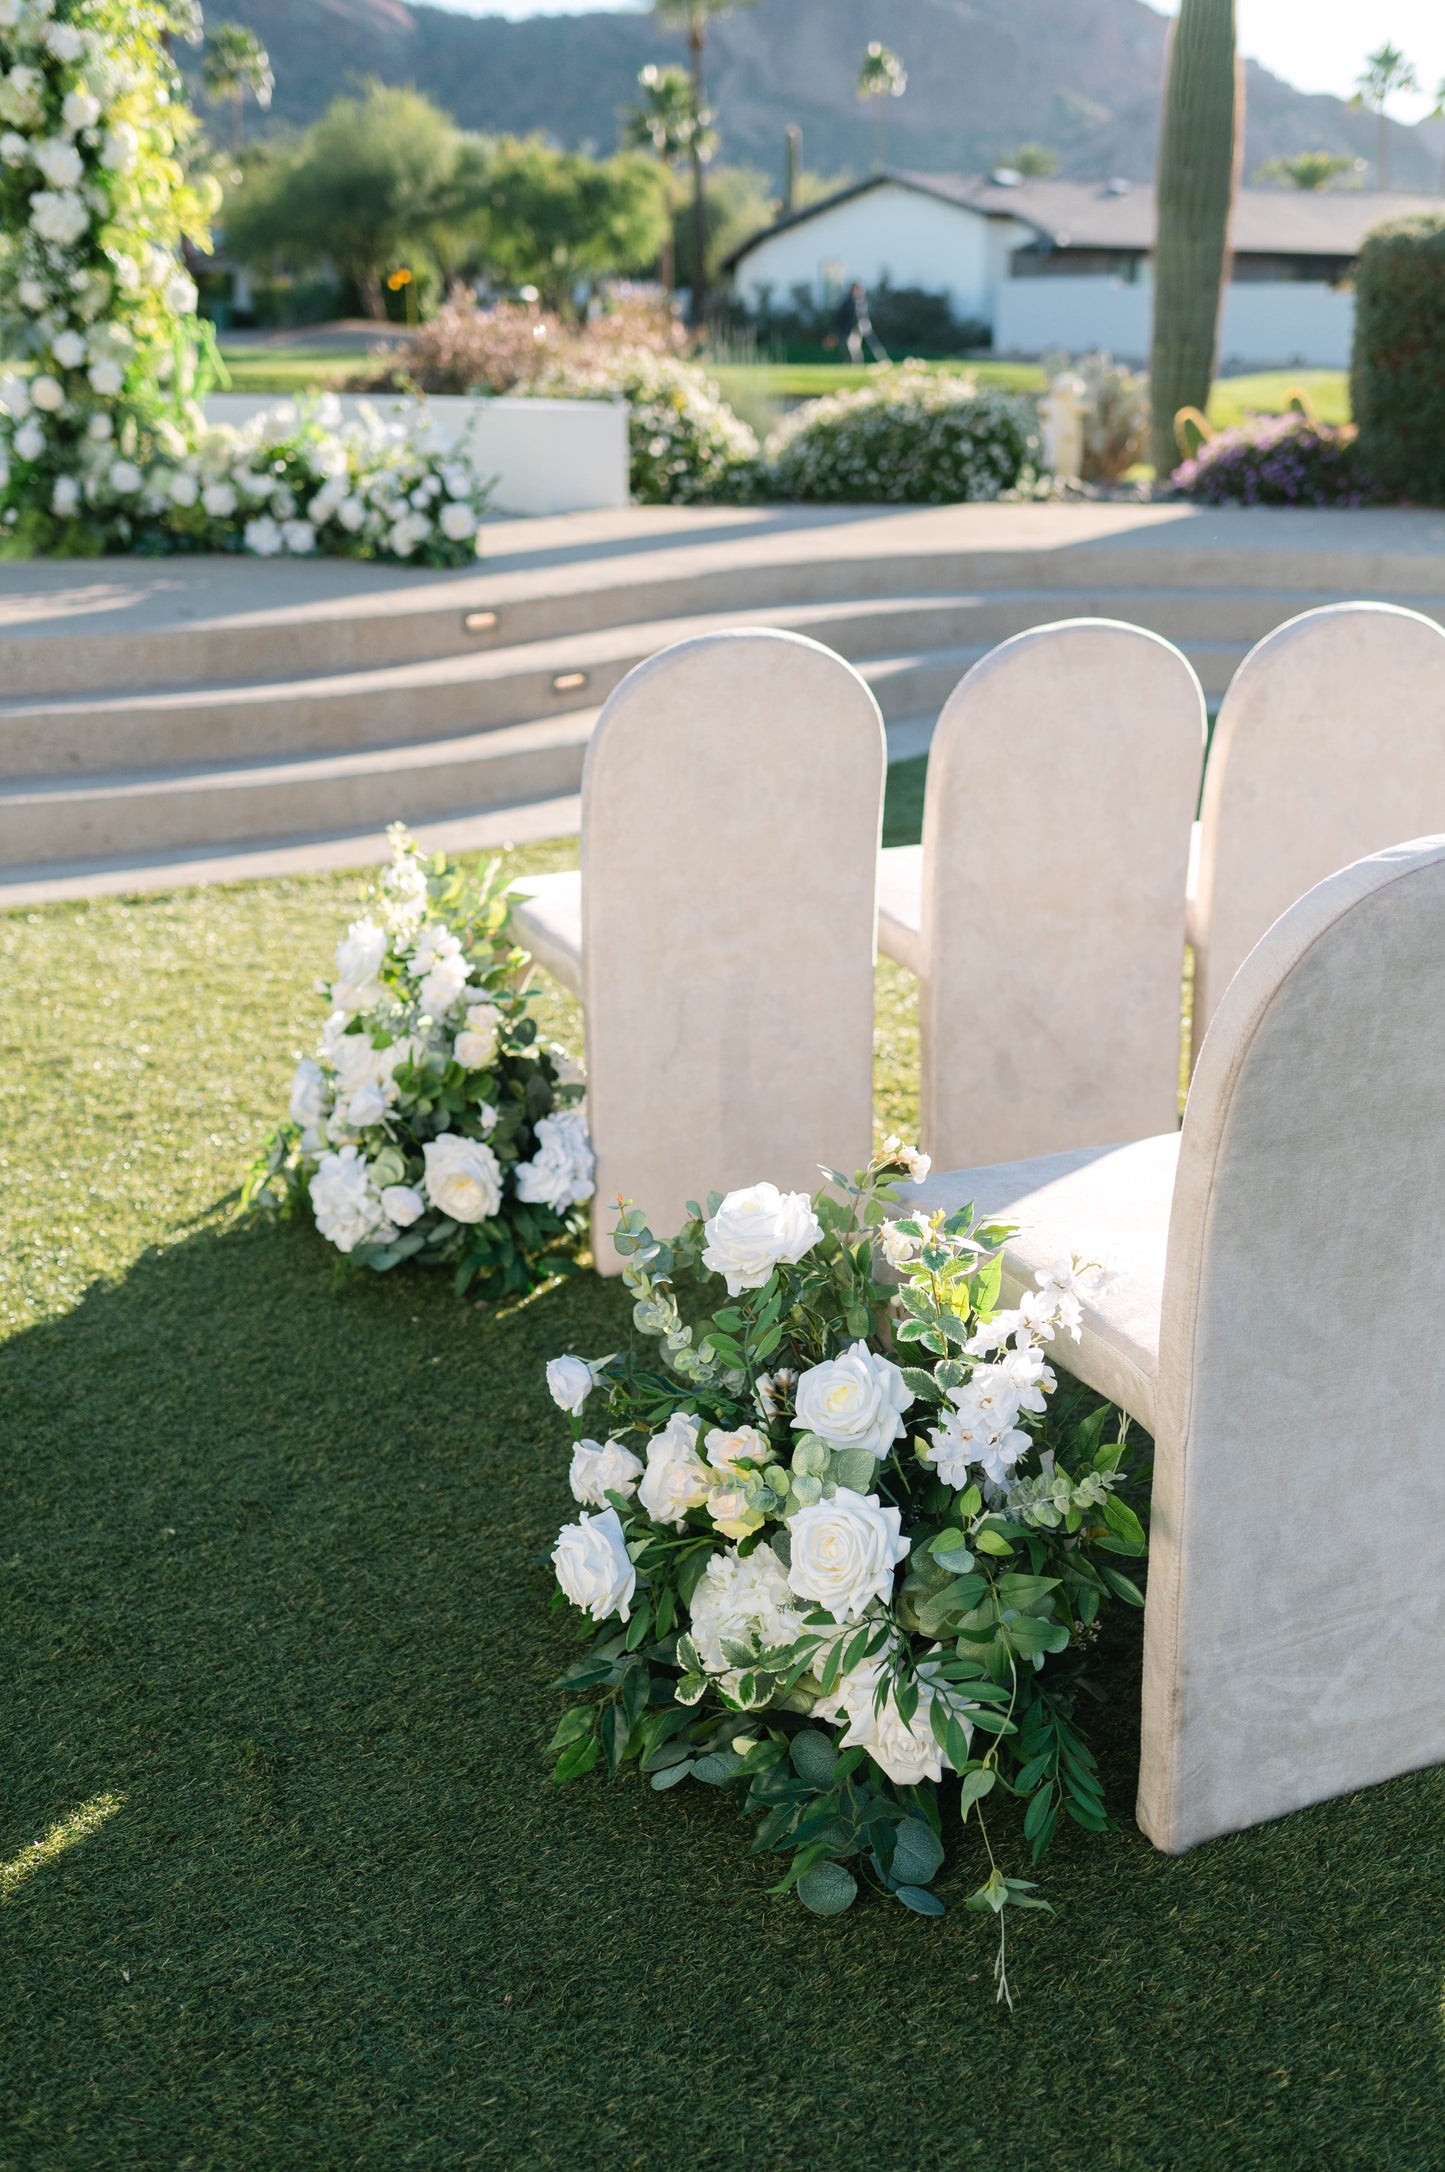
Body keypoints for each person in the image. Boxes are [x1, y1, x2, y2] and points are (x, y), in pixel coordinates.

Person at [831, 280, 889, 365]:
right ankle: (850, 362)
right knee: (848, 347)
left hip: (858, 328)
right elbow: (841, 317)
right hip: (848, 329)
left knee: (855, 347)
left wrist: (864, 322)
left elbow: (863, 315)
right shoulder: (847, 302)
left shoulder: (861, 301)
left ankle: (857, 363)